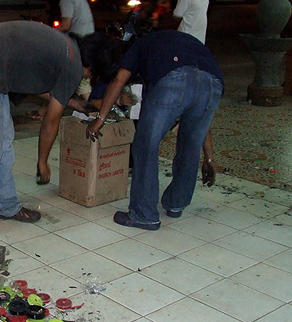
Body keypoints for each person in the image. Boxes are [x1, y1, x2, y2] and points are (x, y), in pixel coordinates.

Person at [0, 21, 87, 240]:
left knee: (4, 141)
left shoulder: (68, 47)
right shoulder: (74, 66)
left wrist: (70, 102)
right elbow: (51, 121)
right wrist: (42, 161)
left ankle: (5, 205)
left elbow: (45, 89)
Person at [86, 30, 223, 230]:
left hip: (175, 79)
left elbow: (118, 81)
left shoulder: (138, 46)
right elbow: (200, 128)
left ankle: (144, 214)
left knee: (145, 144)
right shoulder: (170, 44)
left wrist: (99, 119)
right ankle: (176, 203)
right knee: (190, 145)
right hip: (214, 82)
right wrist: (209, 158)